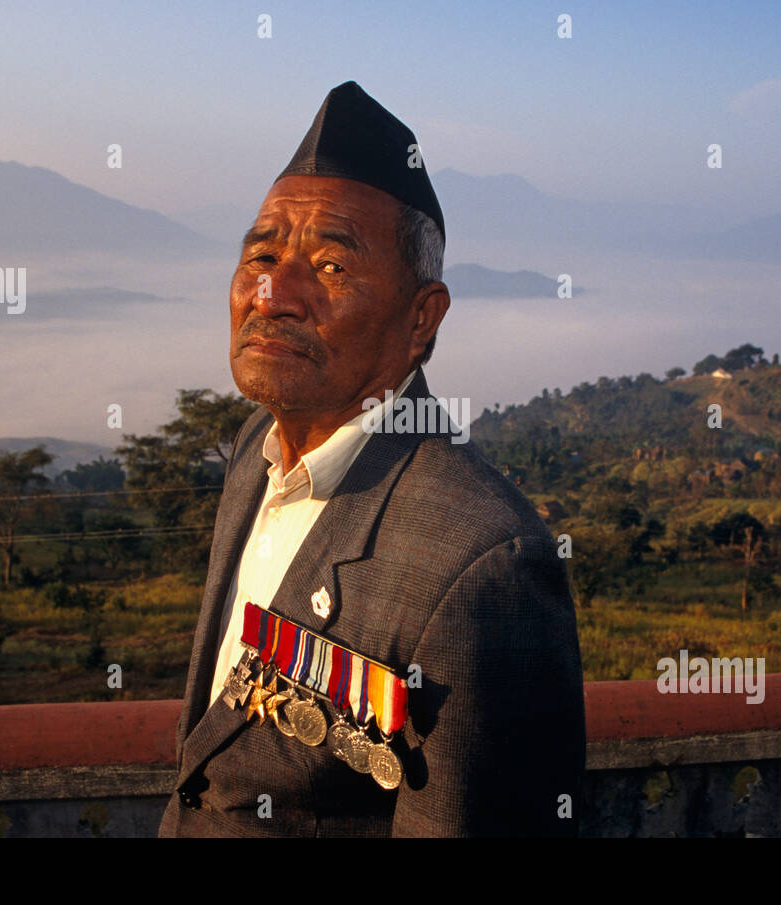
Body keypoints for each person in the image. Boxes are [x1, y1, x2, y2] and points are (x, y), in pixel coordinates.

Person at [158, 81, 585, 837]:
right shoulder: (255, 452)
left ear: (422, 317)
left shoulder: (483, 561)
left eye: (329, 266)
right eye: (261, 253)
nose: (272, 293)